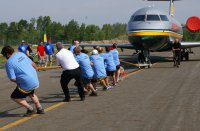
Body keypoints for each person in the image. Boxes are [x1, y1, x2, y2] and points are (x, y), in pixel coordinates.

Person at [1, 45, 44, 116]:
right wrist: (36, 68)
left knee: (14, 96)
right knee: (30, 93)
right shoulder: (21, 54)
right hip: (34, 79)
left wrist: (19, 82)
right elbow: (33, 64)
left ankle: (30, 109)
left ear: (7, 54)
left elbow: (12, 78)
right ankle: (39, 108)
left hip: (27, 82)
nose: (5, 57)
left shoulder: (9, 63)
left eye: (4, 55)